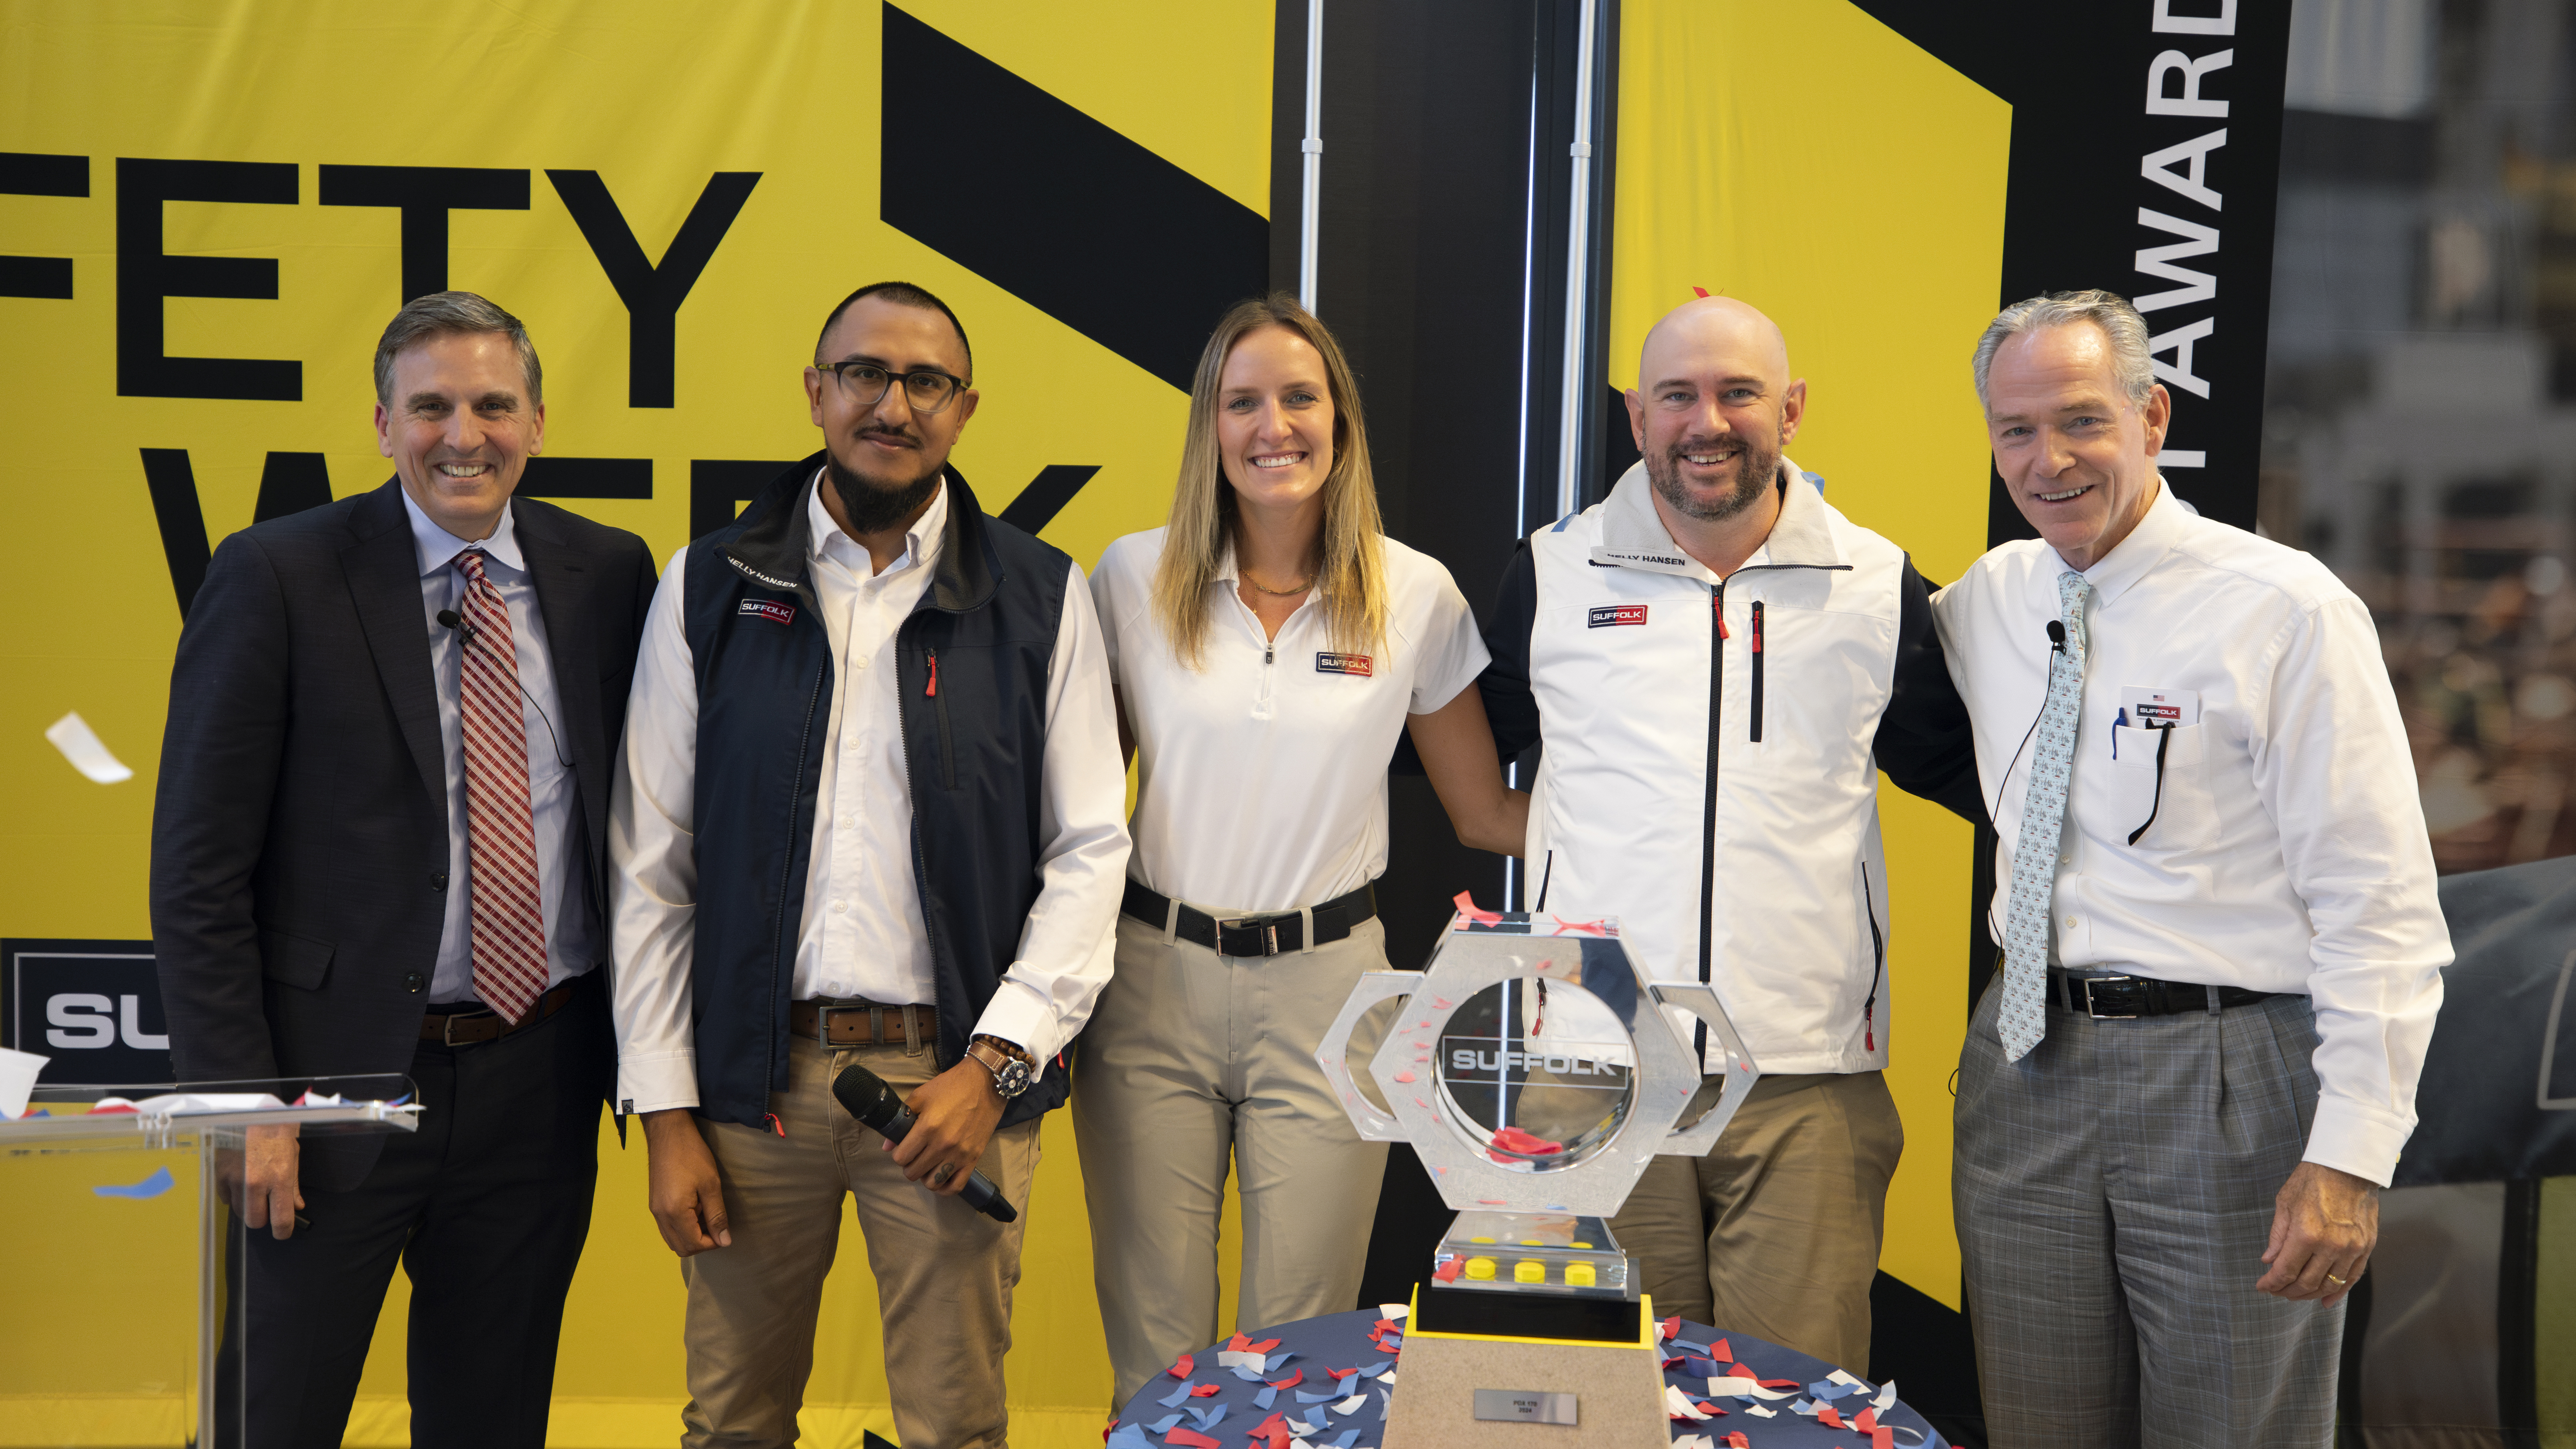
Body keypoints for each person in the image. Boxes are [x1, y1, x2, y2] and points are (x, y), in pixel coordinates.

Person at [611, 280, 1129, 1449]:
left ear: (964, 408)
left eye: (924, 382)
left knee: (953, 1427)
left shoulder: (1041, 594)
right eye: (862, 375)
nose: (891, 404)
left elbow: (1090, 849)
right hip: (753, 1088)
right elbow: (654, 865)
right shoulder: (711, 583)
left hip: (950, 1084)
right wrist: (669, 1113)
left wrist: (993, 1067)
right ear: (816, 392)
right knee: (731, 1423)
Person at [1932, 289, 2450, 1445]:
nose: (2046, 459)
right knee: (2035, 1424)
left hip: (2227, 1078)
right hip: (2023, 1070)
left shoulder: (2285, 611)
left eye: (2080, 420)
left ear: (2151, 416)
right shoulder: (1989, 600)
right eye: (2014, 430)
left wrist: (2350, 1156)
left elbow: (2380, 908)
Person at [149, 291, 657, 1448]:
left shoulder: (611, 574)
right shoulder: (276, 573)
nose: (461, 434)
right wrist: (249, 1108)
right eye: (430, 406)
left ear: (536, 420)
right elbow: (197, 870)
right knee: (269, 1417)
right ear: (383, 423)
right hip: (327, 1094)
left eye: (491, 403)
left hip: (538, 1073)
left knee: (492, 1418)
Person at [1476, 295, 1976, 1370]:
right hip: (1594, 1066)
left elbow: (1986, 774)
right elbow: (1454, 749)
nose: (1708, 421)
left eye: (1738, 392)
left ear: (1790, 409)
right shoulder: (1548, 575)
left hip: (1803, 1082)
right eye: (1678, 396)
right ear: (1635, 416)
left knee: (1791, 1409)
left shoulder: (1874, 583)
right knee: (1601, 1408)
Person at [1074, 294, 1524, 1411]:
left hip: (1331, 990)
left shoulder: (1411, 591)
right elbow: (1078, 807)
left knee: (1300, 1351)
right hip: (1148, 983)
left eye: (1297, 397)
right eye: (1242, 402)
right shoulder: (1131, 578)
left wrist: (1671, 818)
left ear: (1340, 420)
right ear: (1209, 428)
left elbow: (1485, 812)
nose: (1271, 425)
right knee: (1155, 1352)